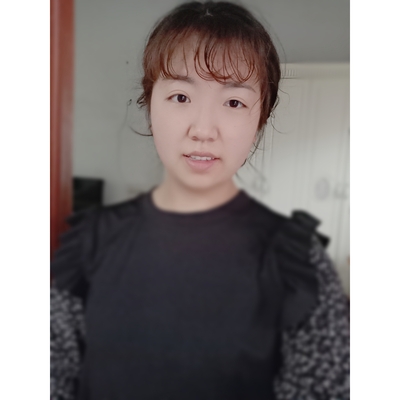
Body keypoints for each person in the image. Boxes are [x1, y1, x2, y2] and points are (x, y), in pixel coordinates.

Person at [50, 2, 350, 400]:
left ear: (260, 120)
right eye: (180, 96)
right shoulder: (89, 243)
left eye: (234, 102)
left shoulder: (298, 262)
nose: (203, 130)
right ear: (150, 104)